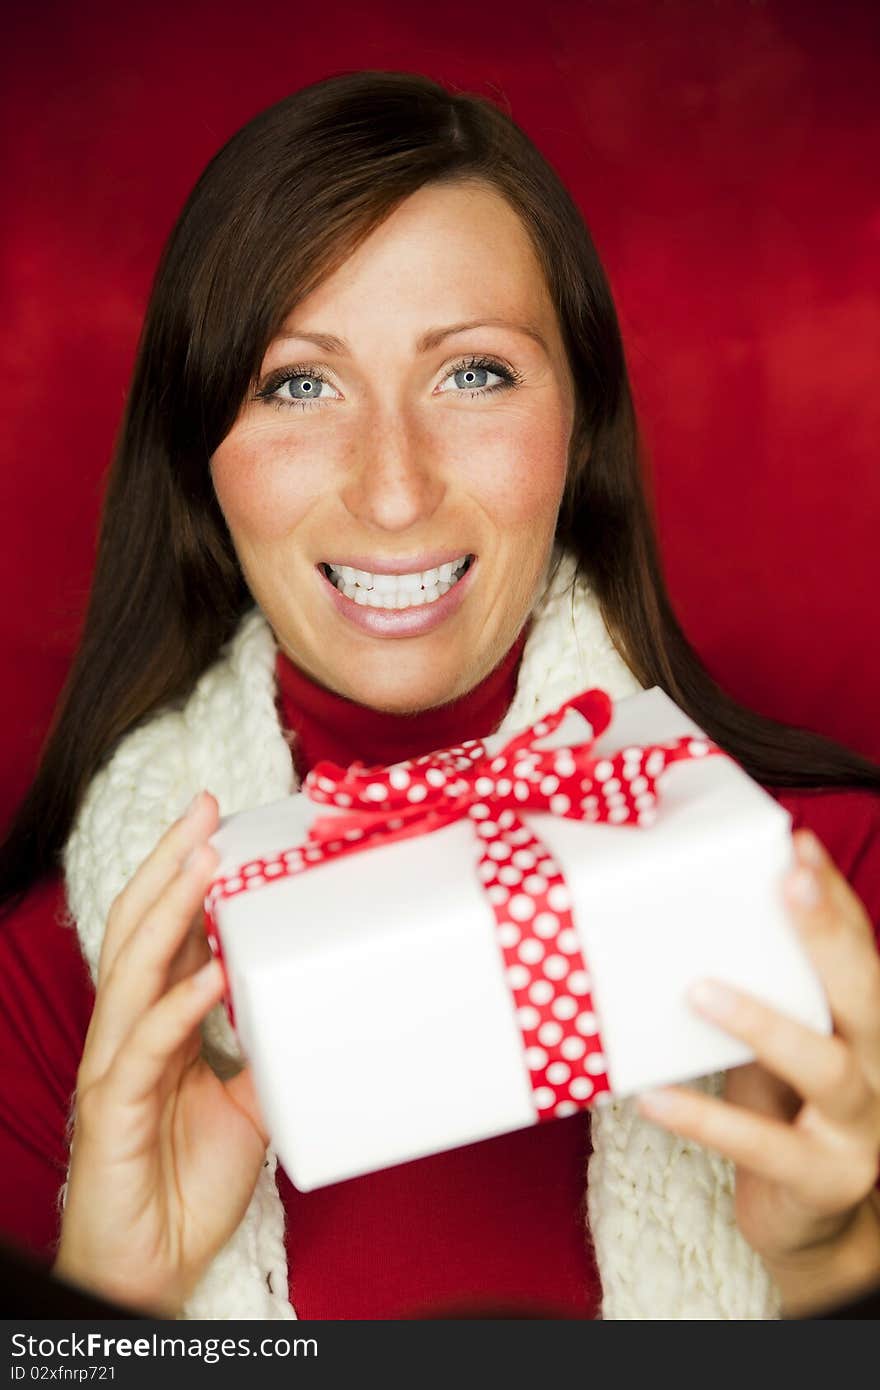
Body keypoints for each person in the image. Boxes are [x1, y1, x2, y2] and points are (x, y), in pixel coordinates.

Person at [1, 70, 879, 1322]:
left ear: (578, 424)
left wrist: (837, 1274)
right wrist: (106, 1307)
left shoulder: (834, 889)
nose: (395, 490)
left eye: (473, 374)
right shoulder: (51, 990)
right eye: (298, 383)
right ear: (202, 458)